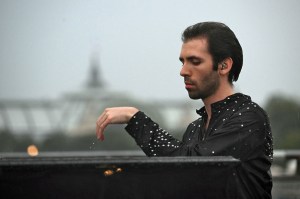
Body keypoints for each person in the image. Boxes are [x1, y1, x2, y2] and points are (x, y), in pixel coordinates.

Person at [96, 22, 273, 198]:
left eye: (195, 62)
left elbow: (189, 165)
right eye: (183, 61)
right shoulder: (195, 129)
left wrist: (134, 118)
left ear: (224, 66)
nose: (183, 71)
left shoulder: (249, 119)